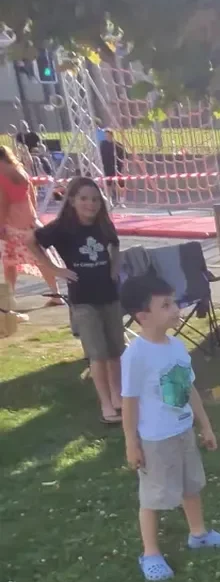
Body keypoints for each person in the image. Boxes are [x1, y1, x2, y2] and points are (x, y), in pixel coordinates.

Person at [119, 269, 220, 581]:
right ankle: (150, 553)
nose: (176, 309)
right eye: (166, 305)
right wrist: (131, 443)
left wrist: (205, 425)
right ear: (143, 316)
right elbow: (129, 402)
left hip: (183, 431)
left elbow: (189, 388)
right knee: (153, 497)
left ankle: (199, 534)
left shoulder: (176, 346)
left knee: (190, 486)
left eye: (174, 302)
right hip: (155, 441)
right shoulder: (136, 356)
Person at [30, 176, 125, 423]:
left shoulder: (103, 224)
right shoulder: (63, 227)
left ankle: (118, 396)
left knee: (116, 351)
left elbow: (115, 245)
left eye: (95, 199)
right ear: (72, 200)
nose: (90, 204)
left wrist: (115, 267)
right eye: (84, 198)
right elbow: (33, 241)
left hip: (109, 295)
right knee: (98, 354)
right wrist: (54, 269)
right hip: (83, 300)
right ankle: (106, 404)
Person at [0, 144, 60, 304]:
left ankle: (10, 298)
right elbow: (32, 195)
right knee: (41, 259)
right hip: (29, 220)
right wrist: (33, 216)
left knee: (9, 263)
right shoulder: (20, 171)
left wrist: (1, 226)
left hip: (12, 224)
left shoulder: (2, 176)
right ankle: (56, 294)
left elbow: (3, 204)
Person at [98, 129, 128, 201]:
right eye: (105, 135)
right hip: (107, 167)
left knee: (120, 184)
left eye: (108, 135)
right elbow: (99, 156)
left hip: (118, 167)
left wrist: (126, 167)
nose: (106, 137)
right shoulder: (102, 145)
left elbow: (125, 157)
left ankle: (122, 200)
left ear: (111, 136)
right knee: (108, 184)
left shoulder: (118, 145)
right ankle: (109, 200)